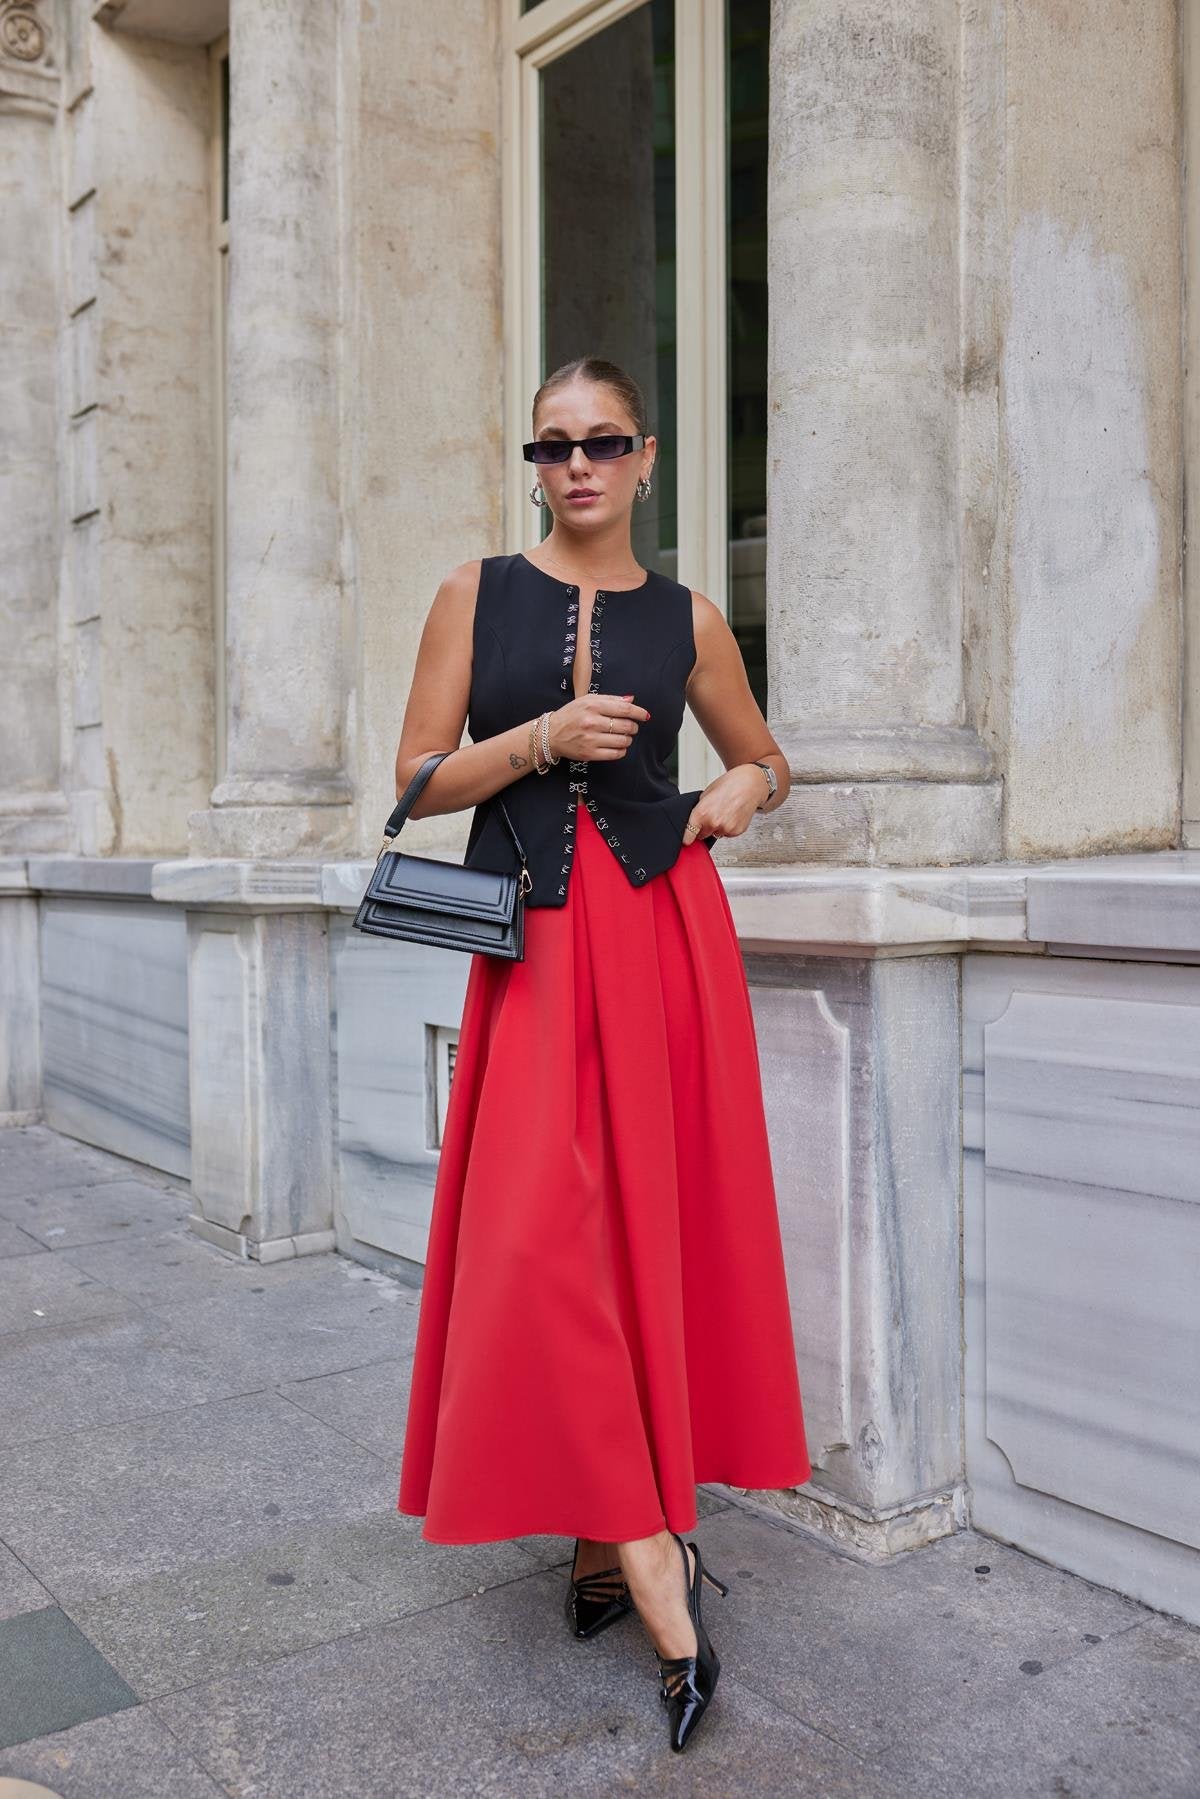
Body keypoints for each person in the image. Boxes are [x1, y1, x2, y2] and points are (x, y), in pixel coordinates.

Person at [393, 355, 811, 1753]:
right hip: (531, 959)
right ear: (535, 462)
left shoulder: (690, 617)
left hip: (660, 943)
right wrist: (538, 739)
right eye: (553, 445)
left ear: (645, 458)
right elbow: (412, 782)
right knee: (541, 1244)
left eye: (603, 443)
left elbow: (766, 757)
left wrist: (736, 790)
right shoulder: (474, 593)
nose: (577, 466)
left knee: (642, 1235)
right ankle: (659, 1574)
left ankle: (604, 1537)